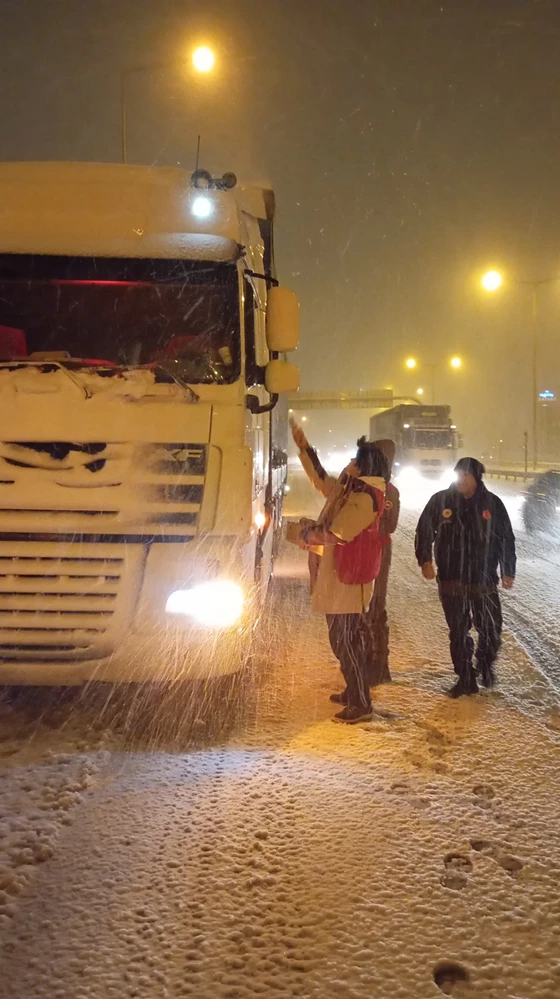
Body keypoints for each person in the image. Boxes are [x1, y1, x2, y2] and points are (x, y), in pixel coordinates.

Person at [292, 421, 390, 723]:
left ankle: (361, 702)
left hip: (348, 581)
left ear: (362, 467)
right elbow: (321, 481)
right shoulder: (350, 491)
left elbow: (338, 533)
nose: (348, 463)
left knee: (345, 641)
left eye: (353, 460)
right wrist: (305, 449)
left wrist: (306, 535)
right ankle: (354, 690)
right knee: (343, 639)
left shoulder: (363, 498)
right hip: (339, 576)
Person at [414, 457, 516, 698]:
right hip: (452, 578)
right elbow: (424, 530)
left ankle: (485, 663)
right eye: (458, 474)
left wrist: (508, 570)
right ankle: (465, 677)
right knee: (458, 631)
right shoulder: (441, 501)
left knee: (490, 628)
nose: (460, 479)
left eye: (466, 475)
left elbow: (506, 539)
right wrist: (425, 560)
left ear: (476, 478)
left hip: (483, 579)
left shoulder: (492, 503)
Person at [363, 439, 400, 685]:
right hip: (363, 551)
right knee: (362, 608)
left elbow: (390, 525)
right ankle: (367, 660)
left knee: (375, 607)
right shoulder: (363, 486)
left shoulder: (388, 491)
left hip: (377, 551)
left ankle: (378, 665)